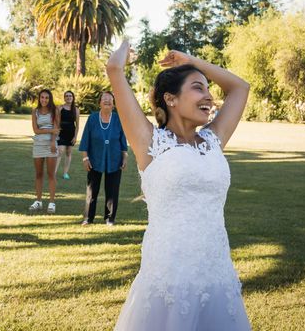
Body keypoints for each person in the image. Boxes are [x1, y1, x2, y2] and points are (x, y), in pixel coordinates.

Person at [106, 41, 251, 330]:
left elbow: (240, 88)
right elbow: (114, 70)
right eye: (198, 88)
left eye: (208, 90)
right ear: (170, 99)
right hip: (167, 277)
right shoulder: (150, 143)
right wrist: (120, 54)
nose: (209, 97)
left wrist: (192, 61)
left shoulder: (213, 140)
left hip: (216, 272)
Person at [78, 91, 128, 226]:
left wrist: (124, 156)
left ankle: (110, 218)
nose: (107, 101)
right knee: (91, 190)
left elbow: (123, 140)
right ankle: (88, 218)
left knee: (112, 190)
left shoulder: (118, 119)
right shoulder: (93, 118)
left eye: (110, 99)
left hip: (114, 158)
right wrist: (85, 158)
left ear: (113, 104)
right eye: (104, 99)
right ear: (99, 103)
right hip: (95, 158)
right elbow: (85, 139)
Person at [28, 89, 59, 214]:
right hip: (38, 144)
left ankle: (51, 202)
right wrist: (50, 130)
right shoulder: (35, 111)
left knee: (51, 174)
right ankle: (38, 201)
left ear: (49, 99)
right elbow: (35, 130)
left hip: (51, 144)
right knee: (38, 174)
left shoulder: (55, 110)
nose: (44, 100)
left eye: (46, 97)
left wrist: (52, 141)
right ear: (39, 98)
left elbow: (56, 129)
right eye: (42, 97)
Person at [55, 90, 80, 180]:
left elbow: (77, 125)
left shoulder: (76, 110)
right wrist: (56, 131)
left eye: (70, 96)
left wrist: (75, 137)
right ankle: (54, 173)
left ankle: (65, 173)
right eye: (67, 96)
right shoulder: (60, 108)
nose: (68, 97)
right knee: (60, 151)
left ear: (73, 98)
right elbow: (56, 121)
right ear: (64, 98)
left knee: (68, 153)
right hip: (61, 133)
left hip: (71, 133)